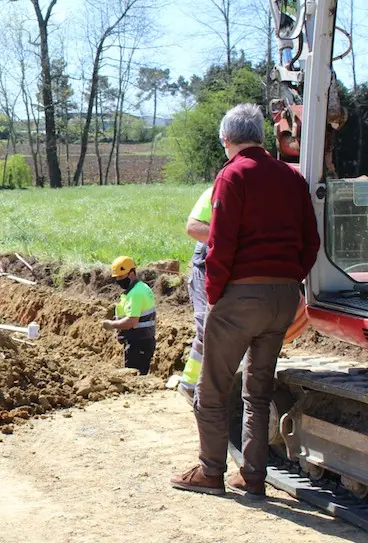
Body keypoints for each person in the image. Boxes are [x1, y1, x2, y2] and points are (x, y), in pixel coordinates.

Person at [170, 104, 320, 499]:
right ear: (261, 136)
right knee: (258, 392)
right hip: (282, 296)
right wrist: (292, 281)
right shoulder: (292, 177)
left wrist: (217, 294)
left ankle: (210, 472)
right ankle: (253, 477)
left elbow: (220, 244)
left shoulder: (232, 175)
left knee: (212, 391)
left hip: (241, 296)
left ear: (226, 140)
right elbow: (311, 242)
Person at [178, 186, 214, 402]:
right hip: (207, 261)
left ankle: (192, 383)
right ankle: (191, 385)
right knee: (207, 328)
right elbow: (193, 226)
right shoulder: (215, 191)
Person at [101, 256, 157, 375]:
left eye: (121, 276)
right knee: (140, 374)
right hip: (144, 340)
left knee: (133, 376)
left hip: (137, 344)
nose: (119, 280)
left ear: (131, 273)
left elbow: (131, 322)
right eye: (117, 278)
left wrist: (111, 325)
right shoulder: (142, 287)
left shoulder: (136, 293)